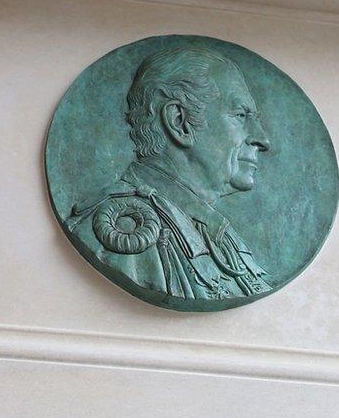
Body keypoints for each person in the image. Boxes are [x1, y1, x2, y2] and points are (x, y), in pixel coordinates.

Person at [66, 46, 273, 303]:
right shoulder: (121, 228)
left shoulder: (221, 237)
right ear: (179, 121)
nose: (262, 139)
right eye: (241, 115)